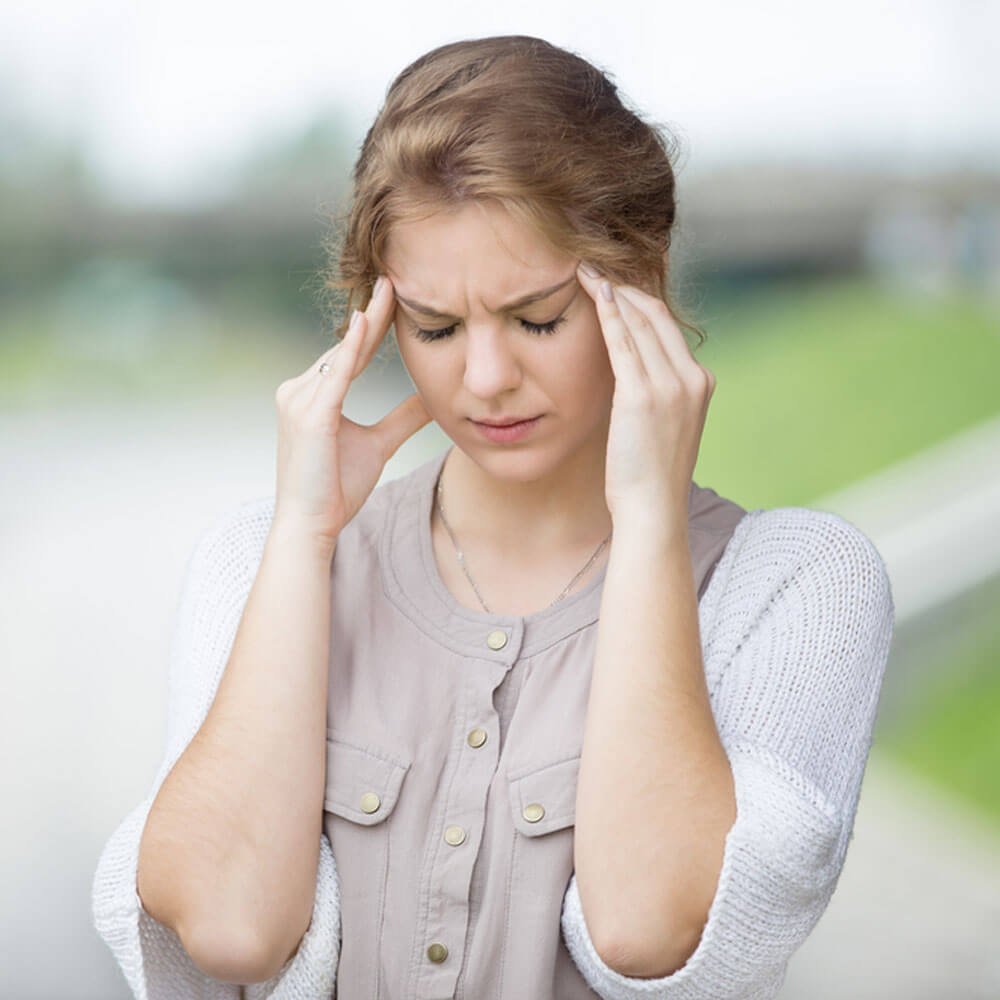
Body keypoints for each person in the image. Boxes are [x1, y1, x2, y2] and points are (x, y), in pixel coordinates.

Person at [91, 34, 895, 1000]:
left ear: (640, 273)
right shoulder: (262, 562)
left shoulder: (794, 585)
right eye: (433, 329)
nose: (484, 380)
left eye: (538, 317)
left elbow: (648, 928)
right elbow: (230, 928)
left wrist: (645, 518)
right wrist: (305, 540)